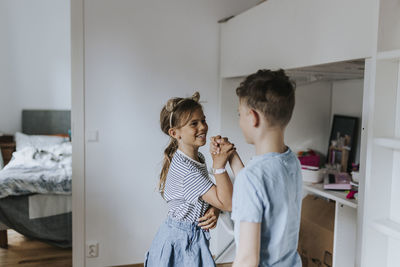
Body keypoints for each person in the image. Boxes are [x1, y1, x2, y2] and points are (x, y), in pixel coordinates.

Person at [212, 69, 302, 267]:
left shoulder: (251, 178)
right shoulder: (291, 161)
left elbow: (247, 260)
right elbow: (262, 185)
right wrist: (233, 157)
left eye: (239, 114)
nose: (239, 120)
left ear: (253, 117)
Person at [145, 92, 236, 267]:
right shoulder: (187, 170)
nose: (202, 127)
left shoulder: (195, 157)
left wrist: (214, 208)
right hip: (181, 242)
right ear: (175, 133)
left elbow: (215, 198)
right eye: (194, 123)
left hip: (188, 236)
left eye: (203, 120)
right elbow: (228, 203)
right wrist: (219, 165)